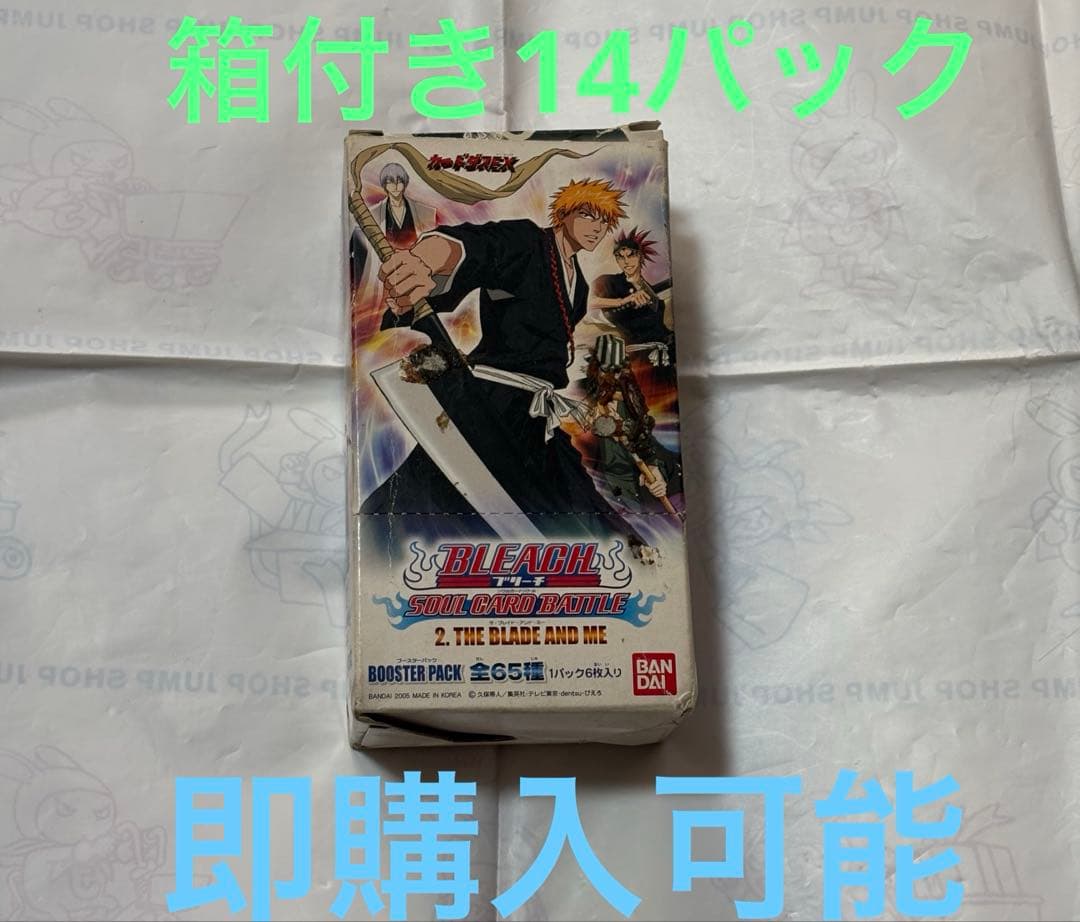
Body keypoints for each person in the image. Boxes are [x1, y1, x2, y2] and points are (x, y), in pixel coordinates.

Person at [362, 178, 646, 544]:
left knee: (582, 510)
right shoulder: (527, 241)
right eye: (587, 215)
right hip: (492, 403)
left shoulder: (580, 287)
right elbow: (473, 247)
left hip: (534, 413)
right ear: (564, 214)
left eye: (604, 222)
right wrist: (421, 261)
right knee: (434, 497)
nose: (597, 228)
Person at [580, 334, 683, 516]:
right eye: (606, 370)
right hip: (597, 488)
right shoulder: (579, 398)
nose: (612, 377)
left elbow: (646, 441)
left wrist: (655, 470)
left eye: (618, 371)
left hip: (629, 487)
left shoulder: (630, 401)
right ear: (595, 369)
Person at [589, 227, 676, 364]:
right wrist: (622, 301)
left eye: (631, 255)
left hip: (667, 351)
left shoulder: (647, 287)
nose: (626, 261)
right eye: (620, 257)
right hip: (639, 357)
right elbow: (585, 300)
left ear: (640, 256)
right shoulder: (610, 282)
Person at [348, 162, 437, 293]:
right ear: (384, 184)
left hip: (415, 272)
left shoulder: (425, 212)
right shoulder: (372, 214)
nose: (395, 185)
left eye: (399, 181)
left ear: (405, 183)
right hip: (384, 276)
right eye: (390, 181)